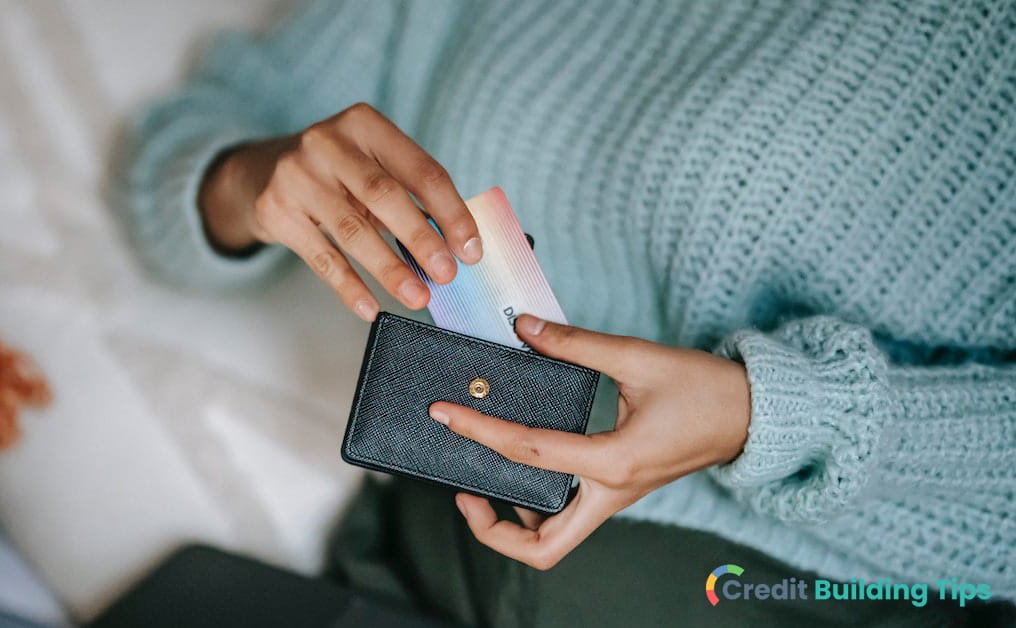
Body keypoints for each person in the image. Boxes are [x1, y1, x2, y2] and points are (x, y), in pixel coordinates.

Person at [113, 0, 1016, 625]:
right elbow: (186, 146)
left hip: (798, 585)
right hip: (434, 547)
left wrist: (773, 414)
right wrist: (253, 178)